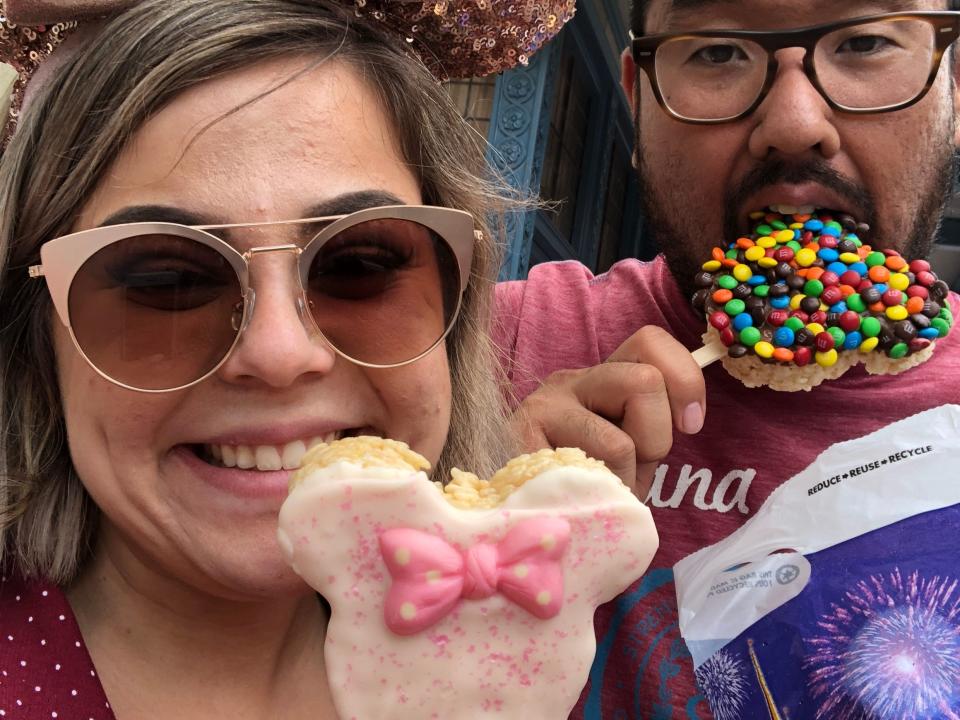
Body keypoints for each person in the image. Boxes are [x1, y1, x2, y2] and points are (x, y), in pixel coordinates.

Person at [0, 1, 596, 717]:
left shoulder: (499, 669)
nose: (279, 354)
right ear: (37, 334)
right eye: (167, 278)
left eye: (362, 262)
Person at [496, 0, 960, 716]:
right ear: (637, 101)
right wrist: (467, 523)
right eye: (716, 51)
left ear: (953, 86)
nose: (795, 125)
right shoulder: (483, 354)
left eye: (866, 41)